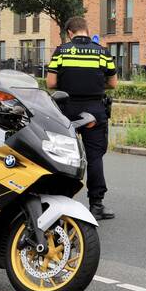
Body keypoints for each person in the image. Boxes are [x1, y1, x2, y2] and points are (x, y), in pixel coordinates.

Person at [46, 16, 117, 220]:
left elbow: (51, 83)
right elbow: (113, 83)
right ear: (86, 30)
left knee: (61, 153)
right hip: (94, 110)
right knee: (94, 157)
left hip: (66, 109)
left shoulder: (61, 51)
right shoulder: (102, 52)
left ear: (69, 32)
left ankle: (58, 200)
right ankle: (96, 205)